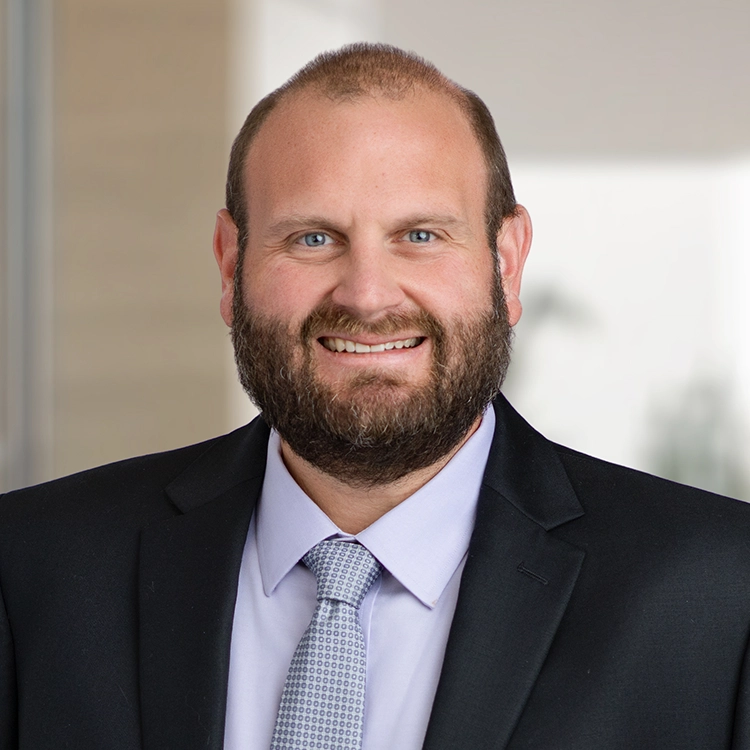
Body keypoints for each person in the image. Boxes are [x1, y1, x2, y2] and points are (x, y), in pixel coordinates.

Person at [1, 43, 750, 750]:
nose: (366, 296)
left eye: (420, 235)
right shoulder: (31, 567)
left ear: (507, 263)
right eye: (312, 238)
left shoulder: (723, 595)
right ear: (231, 267)